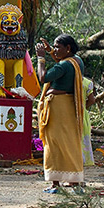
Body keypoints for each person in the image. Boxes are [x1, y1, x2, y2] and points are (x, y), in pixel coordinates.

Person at [35, 34, 86, 193]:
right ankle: (74, 181)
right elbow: (60, 62)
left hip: (57, 107)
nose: (55, 50)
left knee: (53, 143)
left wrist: (41, 59)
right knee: (70, 143)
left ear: (68, 48)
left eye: (58, 47)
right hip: (69, 106)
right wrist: (51, 50)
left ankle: (55, 183)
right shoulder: (77, 61)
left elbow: (43, 77)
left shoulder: (64, 66)